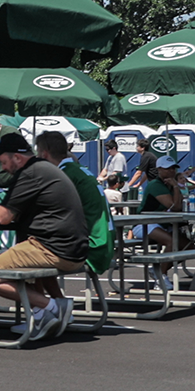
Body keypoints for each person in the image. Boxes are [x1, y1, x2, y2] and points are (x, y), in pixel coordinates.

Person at [0, 133, 89, 341]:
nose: (3, 168)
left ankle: (52, 307)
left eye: (3, 161)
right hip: (74, 247)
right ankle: (41, 314)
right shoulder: (42, 169)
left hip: (53, 248)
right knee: (28, 264)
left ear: (17, 158)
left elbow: (3, 217)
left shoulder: (28, 174)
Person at [34, 130, 116, 312]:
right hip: (104, 242)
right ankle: (58, 306)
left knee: (33, 256)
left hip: (93, 246)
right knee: (40, 250)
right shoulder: (78, 170)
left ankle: (40, 312)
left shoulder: (62, 175)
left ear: (43, 154)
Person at [134, 155, 187, 288]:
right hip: (144, 223)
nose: (172, 171)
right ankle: (161, 276)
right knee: (171, 241)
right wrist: (176, 187)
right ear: (159, 170)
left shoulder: (169, 184)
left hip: (162, 223)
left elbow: (178, 206)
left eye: (173, 168)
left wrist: (176, 187)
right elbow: (174, 207)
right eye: (168, 169)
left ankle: (157, 269)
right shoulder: (155, 185)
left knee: (189, 247)